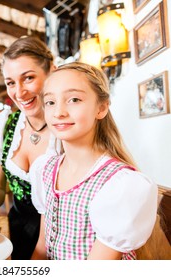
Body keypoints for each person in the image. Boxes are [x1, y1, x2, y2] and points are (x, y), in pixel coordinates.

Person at [31, 62, 158, 260]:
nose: (59, 112)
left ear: (101, 108)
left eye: (73, 99)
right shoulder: (46, 169)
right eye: (50, 102)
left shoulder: (120, 185)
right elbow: (41, 248)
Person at [0, 36, 60, 259]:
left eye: (28, 78)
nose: (18, 92)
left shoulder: (67, 127)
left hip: (61, 241)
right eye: (10, 83)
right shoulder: (5, 127)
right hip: (16, 233)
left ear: (52, 73)